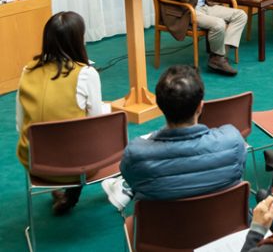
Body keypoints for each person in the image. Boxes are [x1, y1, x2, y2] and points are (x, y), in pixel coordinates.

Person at [101, 65, 246, 209]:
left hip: (163, 224)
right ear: (200, 107)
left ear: (159, 105)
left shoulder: (136, 154)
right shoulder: (233, 140)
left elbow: (132, 179)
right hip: (222, 221)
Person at [16, 11, 111, 215]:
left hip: (35, 164)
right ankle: (73, 195)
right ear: (78, 40)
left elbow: (19, 124)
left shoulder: (27, 71)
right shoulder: (86, 74)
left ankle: (66, 195)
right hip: (76, 167)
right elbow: (96, 125)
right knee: (109, 126)